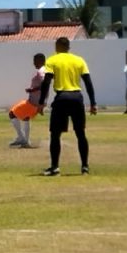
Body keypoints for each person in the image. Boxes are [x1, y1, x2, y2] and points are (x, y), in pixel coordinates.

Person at [38, 37, 97, 176]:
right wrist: (93, 103)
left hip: (62, 98)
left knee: (55, 135)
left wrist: (41, 102)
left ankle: (55, 167)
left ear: (57, 46)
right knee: (81, 134)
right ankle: (85, 167)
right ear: (69, 47)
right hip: (77, 98)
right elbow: (88, 83)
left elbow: (46, 82)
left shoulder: (52, 60)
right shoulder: (79, 60)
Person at [8, 53, 46, 148]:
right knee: (25, 117)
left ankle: (23, 139)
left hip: (34, 103)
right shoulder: (44, 70)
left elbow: (44, 84)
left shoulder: (42, 71)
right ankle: (24, 140)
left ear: (40, 61)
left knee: (12, 113)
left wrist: (32, 90)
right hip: (34, 102)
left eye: (35, 61)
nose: (34, 63)